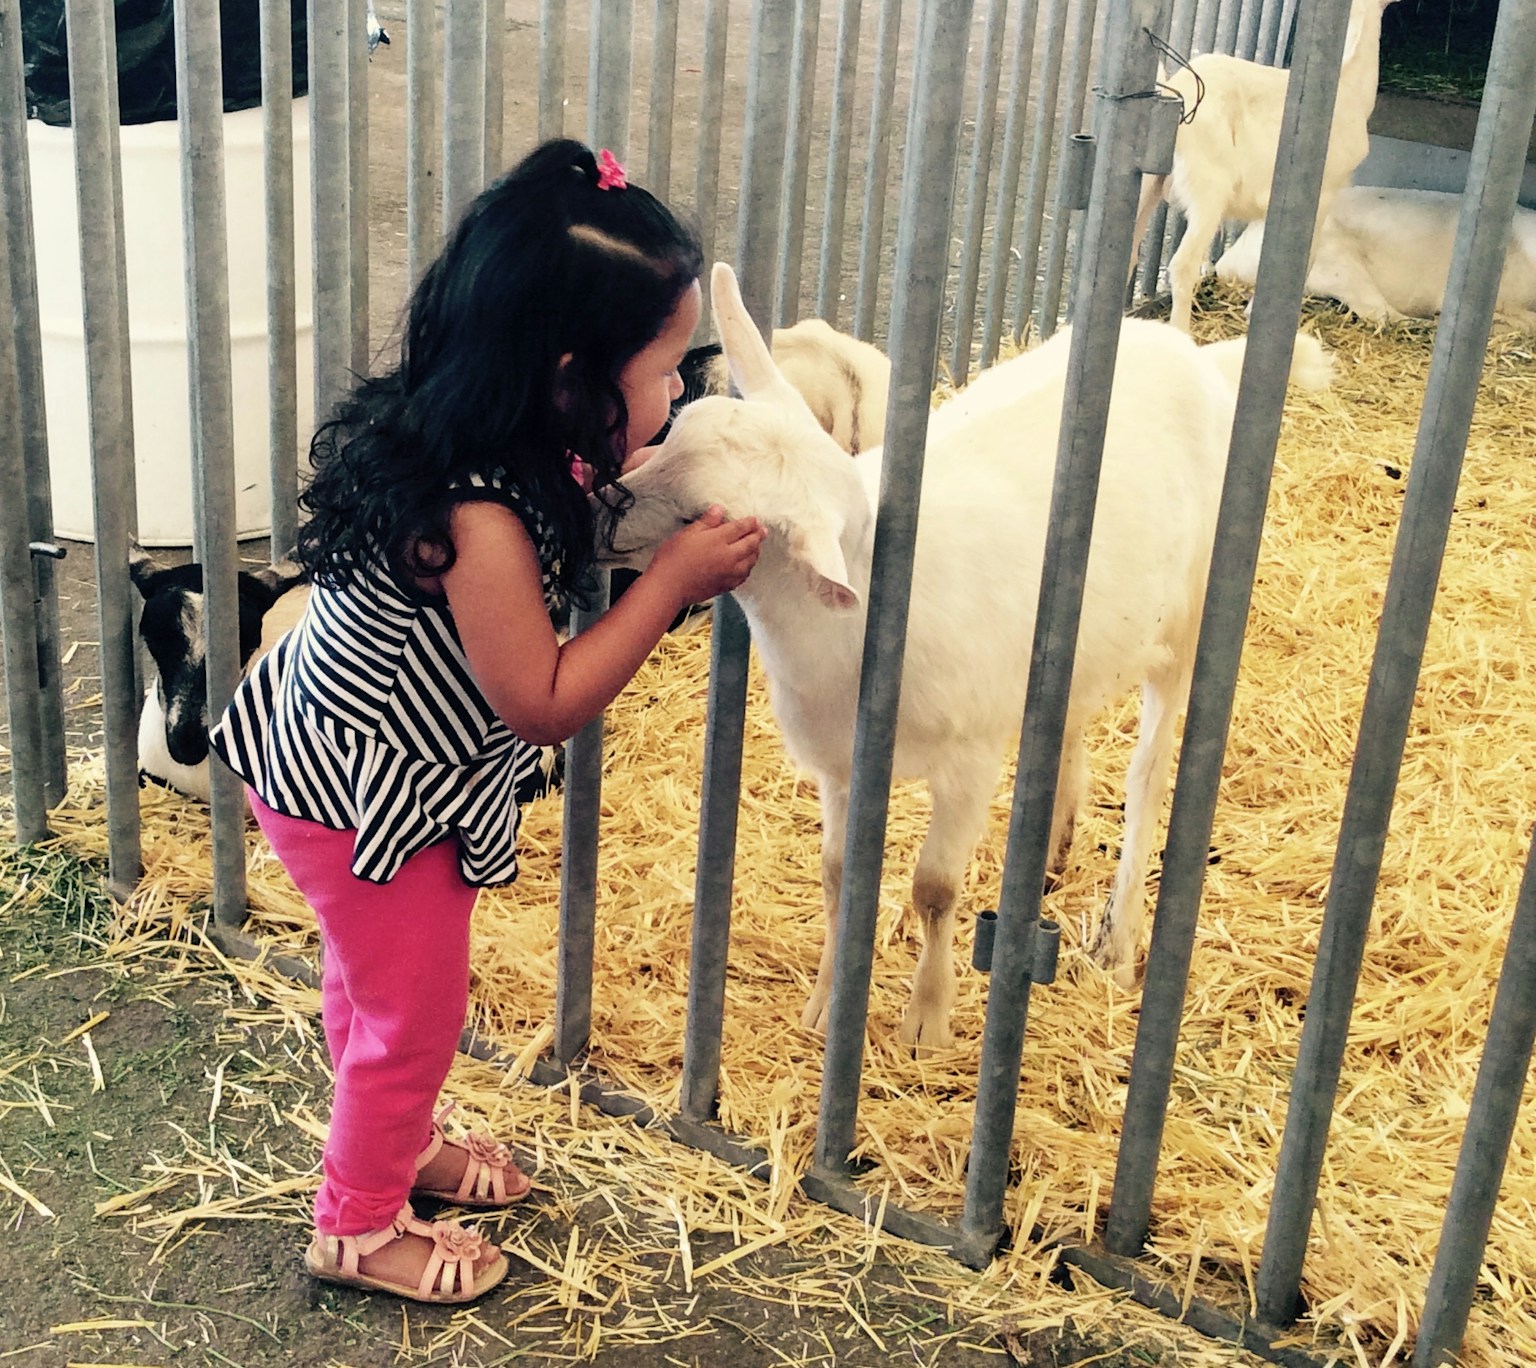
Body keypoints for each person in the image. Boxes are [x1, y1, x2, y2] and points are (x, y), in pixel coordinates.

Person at [209, 139, 764, 1305]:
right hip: (369, 799)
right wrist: (668, 585)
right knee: (414, 1014)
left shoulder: (480, 434)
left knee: (378, 996)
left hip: (333, 757)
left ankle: (392, 1144)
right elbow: (542, 699)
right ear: (569, 373)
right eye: (662, 374)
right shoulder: (480, 514)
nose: (675, 399)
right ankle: (354, 1228)